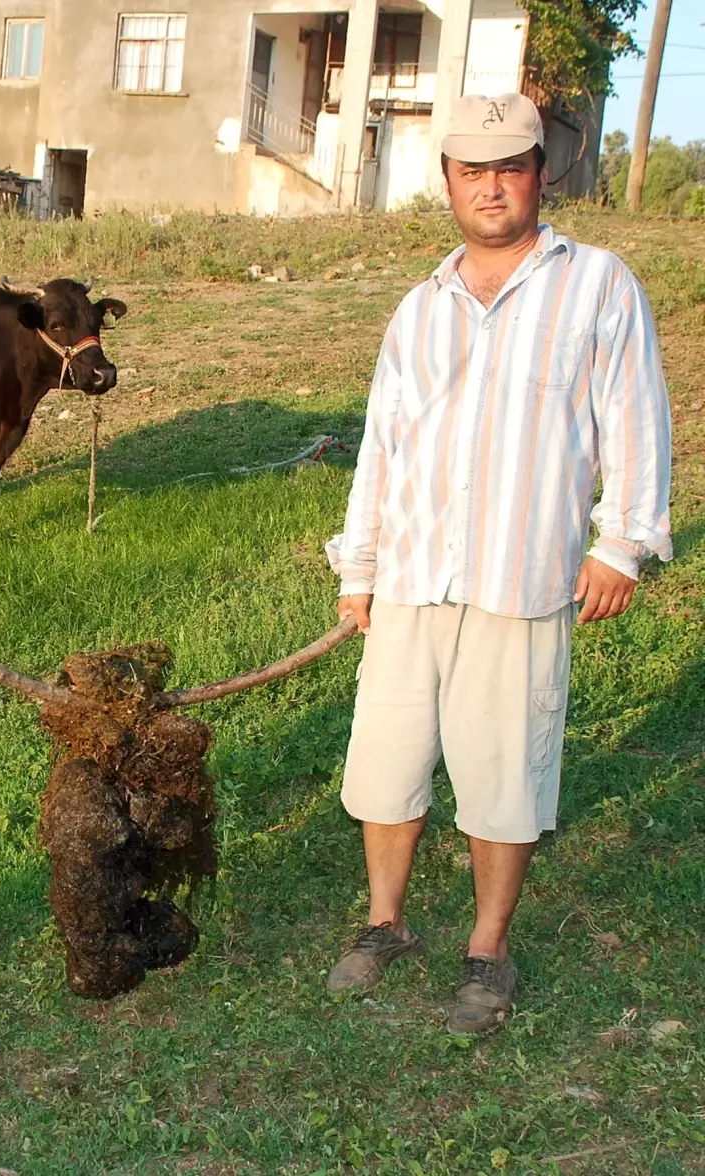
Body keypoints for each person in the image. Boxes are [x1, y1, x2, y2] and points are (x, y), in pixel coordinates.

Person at [323, 94, 672, 1033]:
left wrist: (621, 543)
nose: (491, 186)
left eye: (509, 167)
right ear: (446, 182)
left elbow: (636, 418)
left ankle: (488, 950)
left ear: (539, 175)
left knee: (503, 767)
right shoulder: (419, 306)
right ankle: (384, 924)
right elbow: (381, 448)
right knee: (387, 759)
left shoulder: (597, 283)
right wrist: (359, 571)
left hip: (523, 575)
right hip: (412, 577)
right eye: (472, 170)